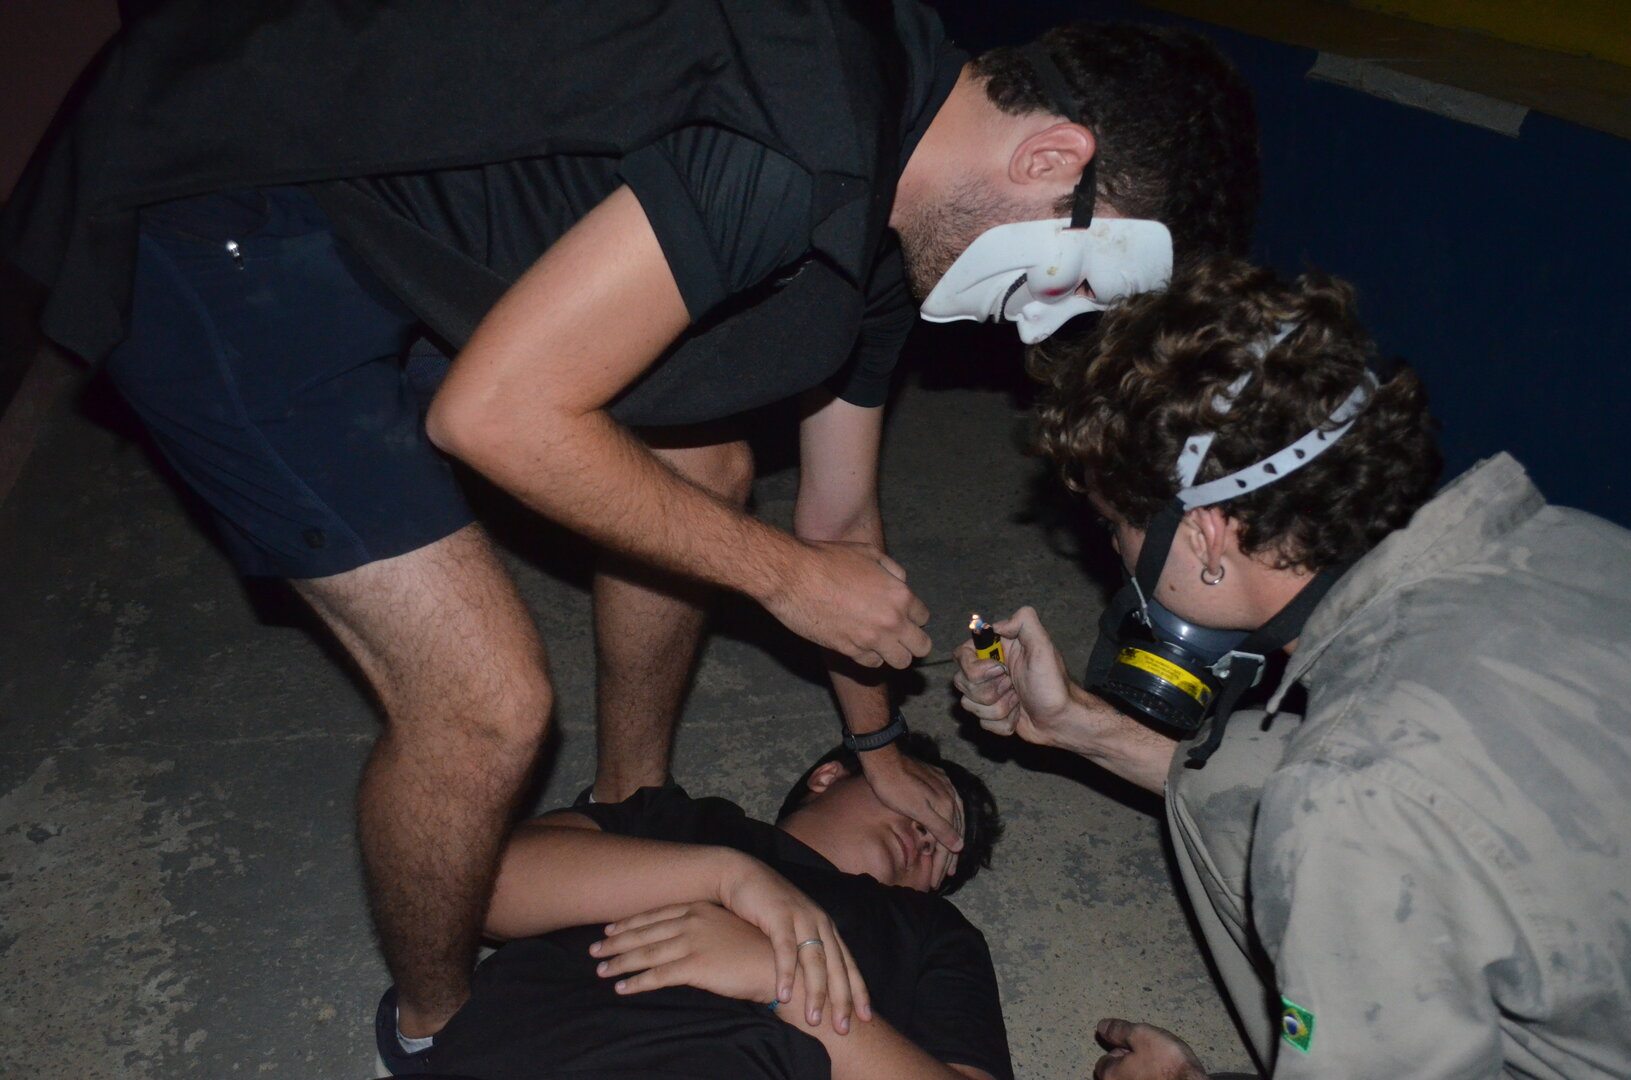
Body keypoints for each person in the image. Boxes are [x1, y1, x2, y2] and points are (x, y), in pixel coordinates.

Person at [0, 0, 1259, 1048]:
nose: (1042, 321)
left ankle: (631, 795)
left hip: (402, 221)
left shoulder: (901, 188)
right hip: (223, 213)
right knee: (486, 705)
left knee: (705, 460)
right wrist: (778, 577)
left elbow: (838, 517)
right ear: (1049, 159)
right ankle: (433, 1026)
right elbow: (495, 417)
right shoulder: (795, 144)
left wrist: (875, 740)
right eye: (1076, 279)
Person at [953, 258, 1631, 1078]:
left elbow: (1374, 798)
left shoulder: (1351, 795)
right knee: (1231, 768)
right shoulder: (1567, 541)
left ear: (1205, 537)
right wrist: (1078, 727)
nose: (1117, 555)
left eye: (1114, 527)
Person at [378, 733, 1008, 1078]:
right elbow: (480, 888)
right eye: (921, 804)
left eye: (943, 853)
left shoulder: (930, 930)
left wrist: (778, 977)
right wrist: (726, 876)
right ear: (829, 775)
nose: (928, 838)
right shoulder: (688, 823)